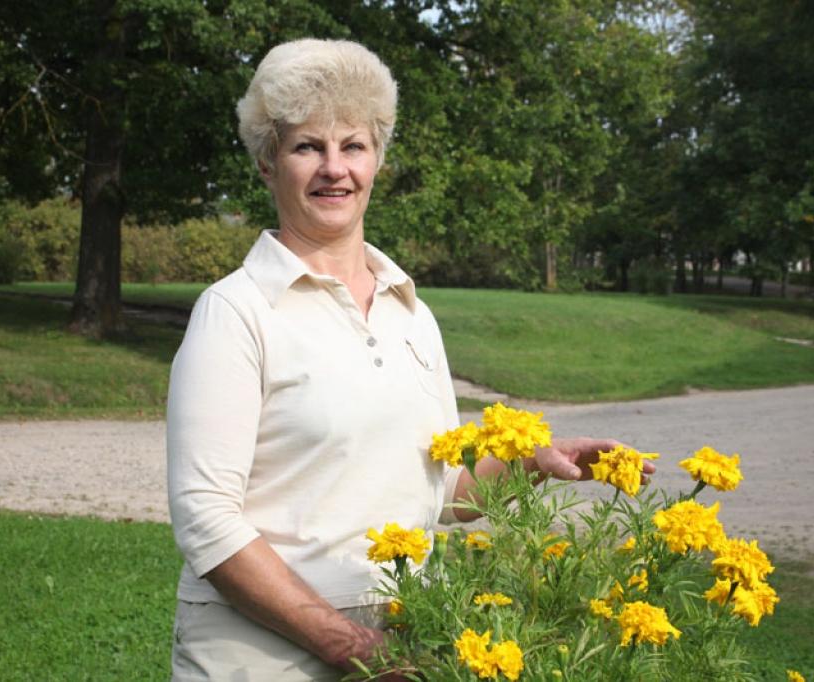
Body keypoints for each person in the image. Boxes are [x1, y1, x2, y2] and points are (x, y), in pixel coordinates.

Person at [166, 38, 653, 681]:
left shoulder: (412, 314)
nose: (334, 168)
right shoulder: (236, 311)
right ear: (267, 163)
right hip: (261, 653)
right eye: (308, 146)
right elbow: (206, 520)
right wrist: (351, 646)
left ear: (378, 162)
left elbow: (438, 494)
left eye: (354, 146)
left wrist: (534, 461)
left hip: (404, 634)